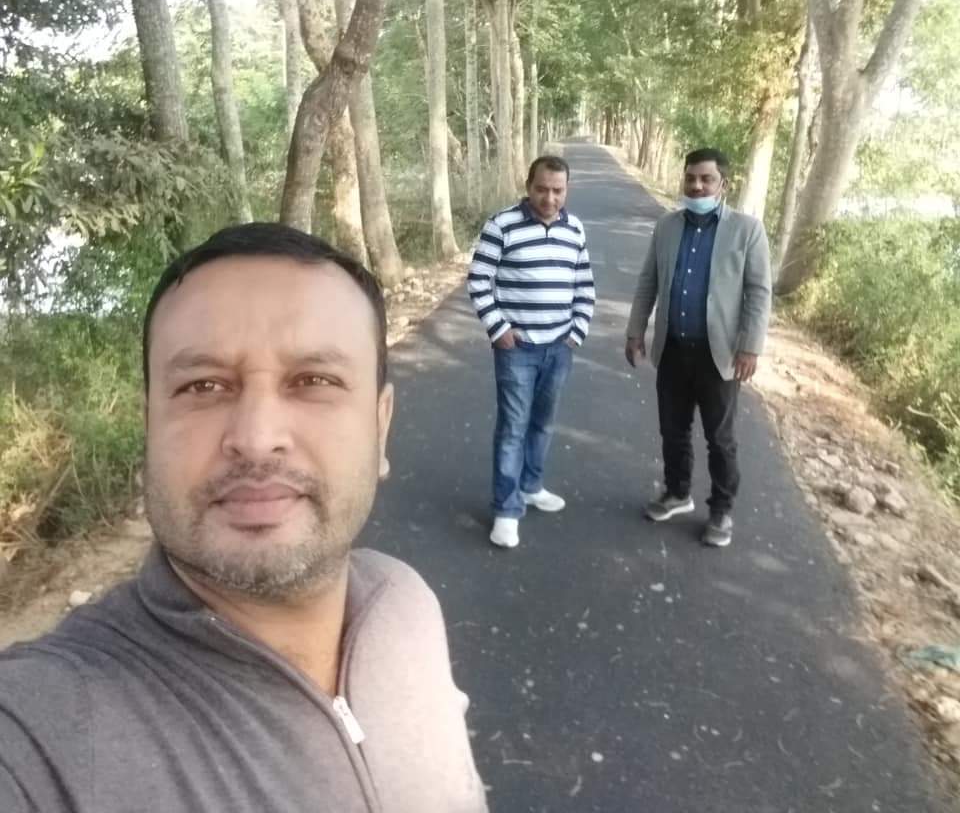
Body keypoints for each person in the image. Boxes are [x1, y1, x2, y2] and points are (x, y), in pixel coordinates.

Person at [0, 223, 488, 813]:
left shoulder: (404, 604)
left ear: (380, 426)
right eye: (203, 386)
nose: (256, 439)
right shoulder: (41, 730)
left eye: (314, 381)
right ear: (149, 428)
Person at [624, 147, 771, 548]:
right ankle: (677, 492)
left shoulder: (747, 230)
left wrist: (750, 347)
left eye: (706, 179)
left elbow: (759, 292)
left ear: (724, 184)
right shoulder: (667, 226)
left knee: (719, 437)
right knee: (673, 429)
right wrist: (635, 331)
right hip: (673, 347)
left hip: (718, 354)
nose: (697, 186)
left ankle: (721, 509)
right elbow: (649, 281)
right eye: (691, 178)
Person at [468, 155, 596, 549]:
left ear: (567, 190)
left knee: (543, 423)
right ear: (528, 186)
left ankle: (531, 485)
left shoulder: (574, 229)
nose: (549, 198)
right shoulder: (502, 225)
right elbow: (479, 279)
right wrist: (499, 329)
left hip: (559, 348)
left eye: (558, 190)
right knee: (513, 428)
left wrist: (576, 332)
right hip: (517, 350)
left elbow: (584, 284)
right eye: (542, 189)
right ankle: (506, 510)